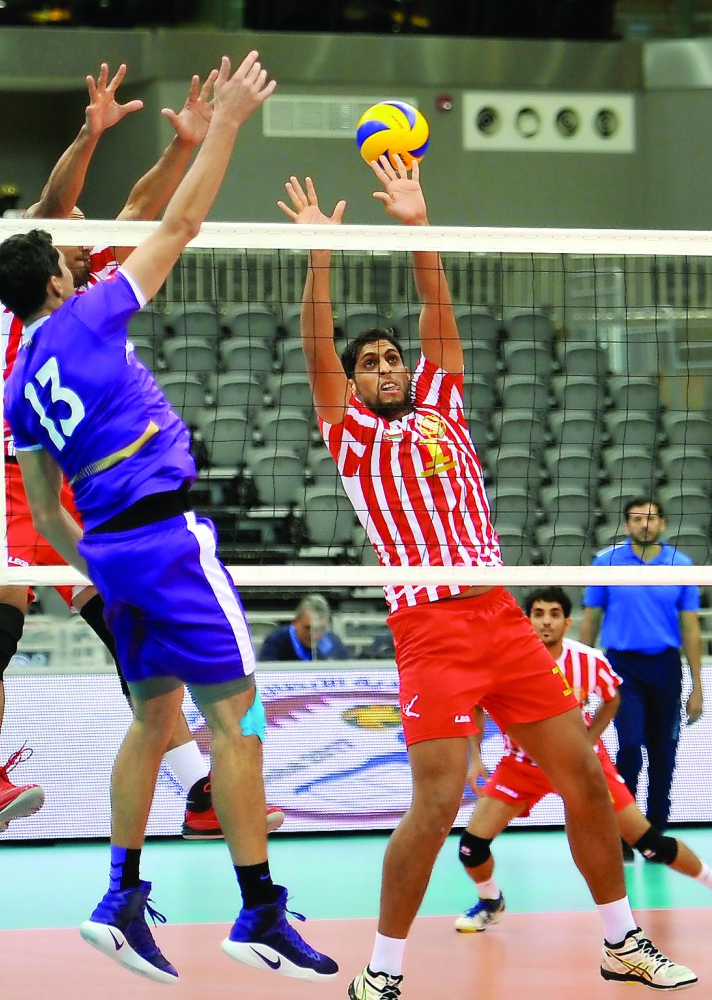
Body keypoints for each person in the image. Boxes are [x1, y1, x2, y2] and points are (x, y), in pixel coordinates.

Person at [278, 158, 697, 996]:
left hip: (501, 618)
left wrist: (417, 225)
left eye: (392, 357)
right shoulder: (350, 436)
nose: (386, 367)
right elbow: (314, 348)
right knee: (435, 804)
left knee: (582, 775)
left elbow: (439, 312)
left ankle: (620, 942)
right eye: (371, 363)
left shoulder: (441, 402)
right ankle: (384, 969)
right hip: (429, 628)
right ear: (353, 383)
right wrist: (320, 257)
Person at [0, 50, 337, 986]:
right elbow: (177, 221)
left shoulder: (22, 382)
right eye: (67, 257)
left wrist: (97, 568)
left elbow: (41, 513)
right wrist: (224, 122)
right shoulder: (91, 314)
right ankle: (259, 910)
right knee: (238, 726)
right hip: (168, 538)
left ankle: (120, 895)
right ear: (60, 278)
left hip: (109, 550)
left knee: (154, 722)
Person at [0, 62, 285, 842]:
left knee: (129, 634)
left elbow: (147, 206)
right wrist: (90, 131)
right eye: (67, 244)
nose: (81, 239)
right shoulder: (14, 282)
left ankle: (198, 793)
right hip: (11, 473)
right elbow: (57, 207)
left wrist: (184, 144)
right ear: (50, 266)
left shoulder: (92, 281)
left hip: (70, 484)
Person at [455, 585, 712, 933]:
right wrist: (475, 759)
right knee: (471, 847)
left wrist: (588, 741)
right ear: (526, 620)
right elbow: (476, 706)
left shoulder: (587, 660)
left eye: (554, 614)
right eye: (538, 614)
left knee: (651, 845)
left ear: (567, 622)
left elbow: (612, 697)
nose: (546, 622)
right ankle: (490, 901)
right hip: (522, 766)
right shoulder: (502, 661)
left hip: (583, 764)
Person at [580, 495, 703, 846]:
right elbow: (590, 621)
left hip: (665, 666)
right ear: (626, 525)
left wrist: (698, 686)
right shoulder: (606, 563)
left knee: (663, 752)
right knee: (630, 747)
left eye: (650, 518)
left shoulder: (681, 564)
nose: (644, 524)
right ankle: (626, 830)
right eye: (636, 519)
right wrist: (586, 676)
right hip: (622, 669)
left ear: (662, 524)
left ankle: (655, 832)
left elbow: (691, 628)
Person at [259, 593, 350, 661]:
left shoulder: (333, 642)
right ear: (295, 623)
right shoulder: (275, 643)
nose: (315, 635)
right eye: (308, 628)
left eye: (320, 629)